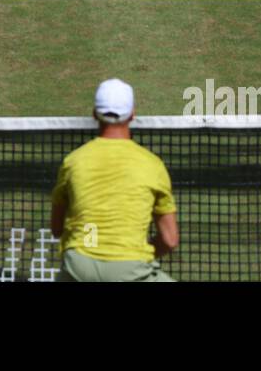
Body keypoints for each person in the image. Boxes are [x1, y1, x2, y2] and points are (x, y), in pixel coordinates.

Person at [50, 78, 179, 281]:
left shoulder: (73, 162)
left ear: (95, 114)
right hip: (130, 269)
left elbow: (57, 229)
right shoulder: (152, 165)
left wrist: (94, 244)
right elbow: (170, 240)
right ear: (133, 114)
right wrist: (127, 255)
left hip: (80, 267)